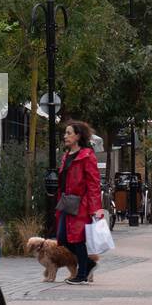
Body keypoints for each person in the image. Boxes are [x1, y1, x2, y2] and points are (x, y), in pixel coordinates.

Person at [56, 120, 104, 284]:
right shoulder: (66, 156)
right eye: (65, 133)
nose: (65, 136)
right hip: (66, 202)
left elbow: (93, 183)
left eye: (69, 133)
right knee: (62, 238)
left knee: (77, 239)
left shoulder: (87, 156)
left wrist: (96, 208)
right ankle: (88, 264)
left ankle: (82, 274)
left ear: (78, 136)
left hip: (81, 203)